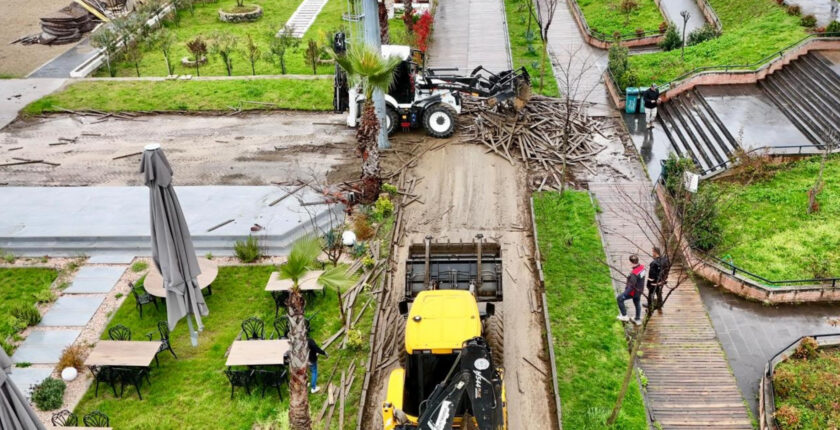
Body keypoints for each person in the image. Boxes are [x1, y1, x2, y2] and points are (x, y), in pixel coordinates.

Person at [617, 254, 646, 325]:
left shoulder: (634, 274)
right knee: (637, 303)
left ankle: (624, 316)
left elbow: (631, 286)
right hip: (640, 290)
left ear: (631, 262)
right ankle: (637, 319)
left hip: (633, 292)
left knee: (619, 298)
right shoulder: (642, 268)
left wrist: (624, 294)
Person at [645, 246, 670, 311]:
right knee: (658, 291)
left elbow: (651, 275)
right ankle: (660, 303)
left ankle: (649, 304)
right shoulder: (664, 260)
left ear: (655, 252)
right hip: (661, 280)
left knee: (651, 292)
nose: (652, 253)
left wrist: (649, 283)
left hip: (655, 281)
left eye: (653, 252)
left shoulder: (653, 263)